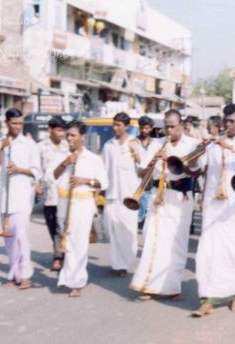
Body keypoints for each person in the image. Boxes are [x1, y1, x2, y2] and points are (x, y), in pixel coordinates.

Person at [192, 104, 235, 317]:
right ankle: (207, 299)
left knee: (234, 252)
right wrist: (199, 149)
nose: (227, 124)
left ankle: (234, 296)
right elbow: (196, 166)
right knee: (208, 252)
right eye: (226, 120)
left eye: (232, 121)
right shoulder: (214, 142)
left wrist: (230, 147)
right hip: (213, 205)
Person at [130, 110, 199, 300]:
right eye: (166, 127)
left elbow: (197, 172)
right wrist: (153, 161)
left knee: (176, 242)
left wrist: (178, 164)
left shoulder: (193, 144)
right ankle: (149, 285)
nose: (169, 130)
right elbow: (141, 173)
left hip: (180, 197)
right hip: (158, 195)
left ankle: (172, 287)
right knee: (152, 238)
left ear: (181, 125)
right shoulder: (156, 144)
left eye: (173, 126)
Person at [52, 121, 108, 297]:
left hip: (83, 205)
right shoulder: (61, 155)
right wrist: (65, 163)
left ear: (82, 137)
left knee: (79, 243)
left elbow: (103, 183)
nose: (69, 138)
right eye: (67, 135)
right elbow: (52, 175)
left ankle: (77, 281)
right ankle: (68, 277)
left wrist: (85, 181)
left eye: (73, 135)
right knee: (67, 241)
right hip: (64, 203)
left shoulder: (93, 159)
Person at [0, 108, 41, 290]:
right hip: (4, 198)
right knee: (9, 239)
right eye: (14, 123)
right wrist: (2, 149)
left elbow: (36, 171)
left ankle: (25, 274)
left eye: (20, 123)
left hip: (22, 197)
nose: (18, 126)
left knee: (21, 236)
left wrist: (19, 170)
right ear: (7, 123)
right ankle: (14, 273)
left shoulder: (29, 144)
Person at [102, 112, 143, 277]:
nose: (115, 128)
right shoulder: (108, 145)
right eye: (114, 124)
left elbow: (143, 165)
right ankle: (118, 264)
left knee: (128, 230)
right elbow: (104, 169)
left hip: (129, 196)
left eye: (118, 125)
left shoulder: (134, 143)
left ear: (126, 126)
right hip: (112, 194)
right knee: (113, 229)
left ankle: (127, 261)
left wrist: (135, 151)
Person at [38, 115, 69, 271]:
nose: (61, 134)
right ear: (50, 130)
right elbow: (36, 169)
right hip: (49, 194)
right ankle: (59, 251)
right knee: (52, 225)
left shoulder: (68, 146)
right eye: (58, 130)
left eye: (63, 130)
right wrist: (37, 185)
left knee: (61, 226)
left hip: (65, 193)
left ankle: (59, 257)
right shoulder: (41, 147)